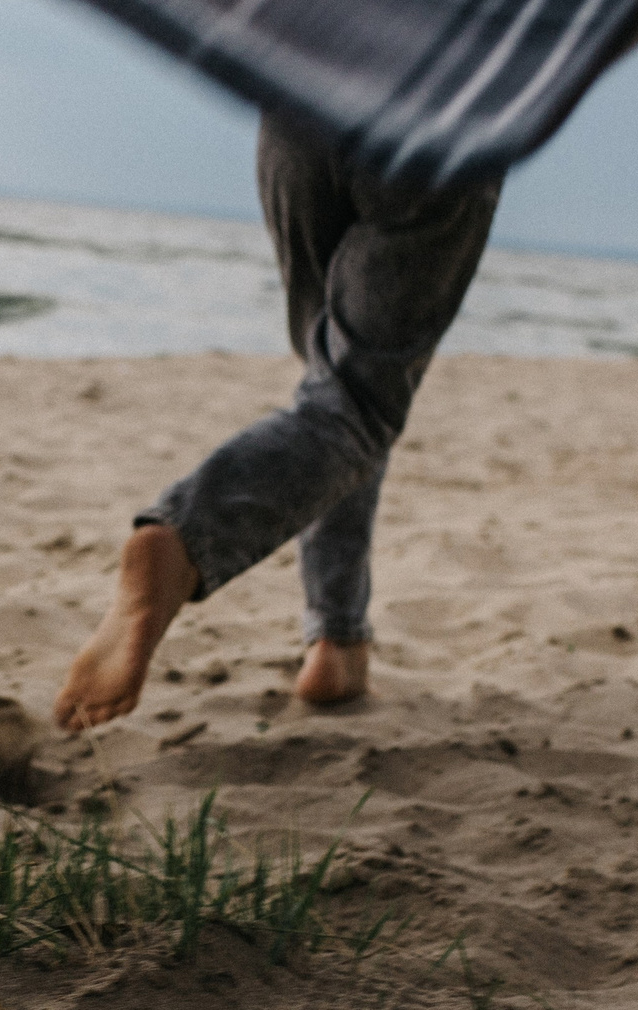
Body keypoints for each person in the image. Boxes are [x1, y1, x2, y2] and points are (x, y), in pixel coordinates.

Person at [52, 111, 501, 731]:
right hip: (435, 130)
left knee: (334, 388)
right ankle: (186, 540)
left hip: (300, 117)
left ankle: (337, 643)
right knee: (355, 403)